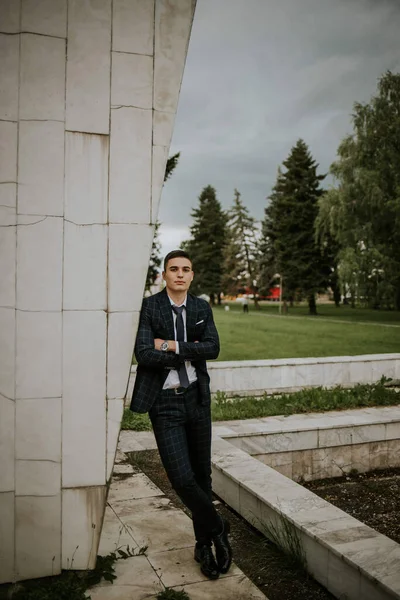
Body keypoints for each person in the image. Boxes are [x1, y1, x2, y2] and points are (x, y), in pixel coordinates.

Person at [130, 250, 232, 580]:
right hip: (164, 403)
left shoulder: (201, 307)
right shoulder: (150, 306)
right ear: (164, 274)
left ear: (192, 275)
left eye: (186, 269)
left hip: (197, 400)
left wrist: (171, 346)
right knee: (181, 478)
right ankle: (218, 527)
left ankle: (203, 545)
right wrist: (187, 348)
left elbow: (213, 348)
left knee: (202, 476)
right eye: (174, 269)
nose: (180, 274)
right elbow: (143, 352)